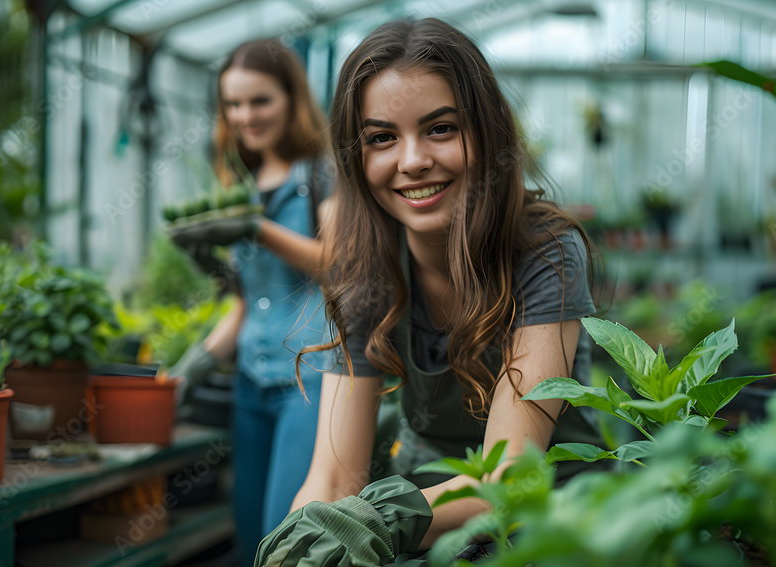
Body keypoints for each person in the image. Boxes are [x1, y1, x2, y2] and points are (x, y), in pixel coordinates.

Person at [256, 18, 603, 566]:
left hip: (553, 523)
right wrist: (304, 538)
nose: (413, 160)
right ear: (357, 157)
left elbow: (510, 477)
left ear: (486, 134)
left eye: (441, 128)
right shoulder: (368, 271)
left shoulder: (544, 254)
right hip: (427, 514)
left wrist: (379, 520)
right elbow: (334, 472)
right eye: (382, 138)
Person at [165, 38, 334, 567]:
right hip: (251, 386)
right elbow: (247, 301)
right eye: (233, 104)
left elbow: (339, 263)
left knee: (283, 540)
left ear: (292, 98)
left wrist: (256, 227)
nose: (245, 116)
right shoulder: (240, 178)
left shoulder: (324, 171)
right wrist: (193, 365)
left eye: (259, 101)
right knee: (246, 539)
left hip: (309, 380)